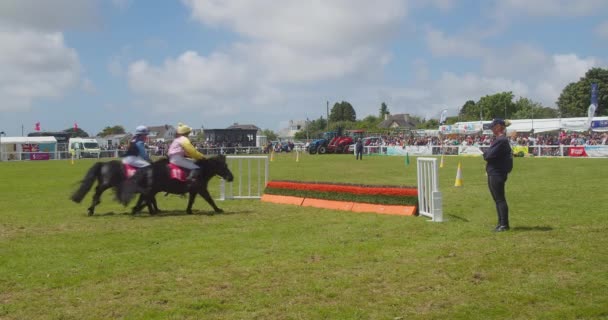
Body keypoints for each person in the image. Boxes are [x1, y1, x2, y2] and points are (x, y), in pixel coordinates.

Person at [483, 118, 513, 232]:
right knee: (498, 199)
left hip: (496, 172)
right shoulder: (500, 140)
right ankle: (501, 223)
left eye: (493, 127)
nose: (491, 129)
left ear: (499, 127)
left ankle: (504, 224)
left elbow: (488, 155)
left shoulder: (501, 140)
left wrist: (486, 153)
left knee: (500, 199)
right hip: (495, 172)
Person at [122, 125, 153, 192]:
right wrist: (151, 161)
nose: (146, 137)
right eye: (145, 135)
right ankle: (138, 184)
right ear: (141, 135)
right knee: (148, 166)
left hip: (127, 159)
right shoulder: (139, 142)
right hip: (132, 159)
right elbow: (144, 156)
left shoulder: (133, 140)